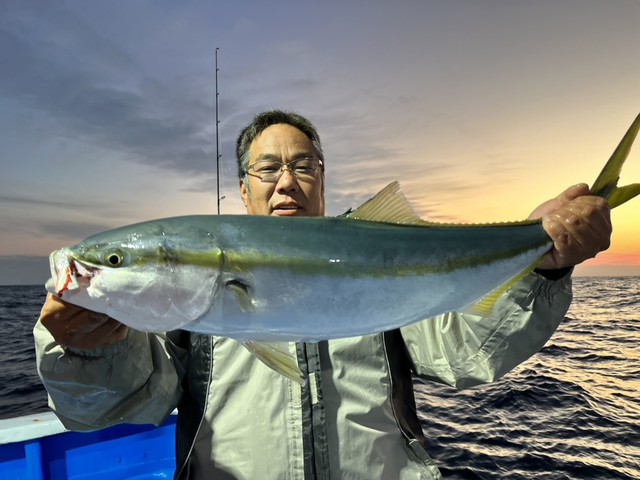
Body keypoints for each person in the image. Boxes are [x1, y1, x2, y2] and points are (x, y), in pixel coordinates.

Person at [35, 110, 612, 479]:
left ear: (322, 180)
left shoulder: (380, 256)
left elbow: (469, 352)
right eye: (267, 168)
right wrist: (87, 348)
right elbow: (114, 406)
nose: (286, 180)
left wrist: (544, 264)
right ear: (241, 188)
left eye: (302, 165)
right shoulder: (176, 311)